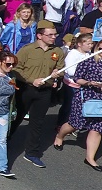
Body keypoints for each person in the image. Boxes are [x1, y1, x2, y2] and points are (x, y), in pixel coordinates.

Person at [53, 37, 102, 171]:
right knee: (75, 124)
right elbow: (77, 78)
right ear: (97, 47)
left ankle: (90, 158)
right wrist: (89, 83)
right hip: (87, 97)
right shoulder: (88, 60)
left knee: (97, 129)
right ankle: (60, 136)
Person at [11, 21, 64, 169]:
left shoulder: (58, 52)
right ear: (40, 35)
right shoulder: (27, 50)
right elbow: (16, 69)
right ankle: (4, 140)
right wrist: (31, 80)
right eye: (50, 35)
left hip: (45, 92)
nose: (54, 37)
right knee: (17, 117)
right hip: (26, 89)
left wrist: (57, 74)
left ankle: (32, 152)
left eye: (55, 34)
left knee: (37, 122)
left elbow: (62, 69)